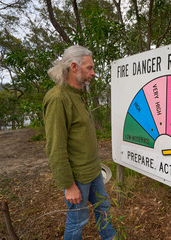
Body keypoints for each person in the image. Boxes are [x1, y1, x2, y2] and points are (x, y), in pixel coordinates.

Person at [43, 45, 117, 240]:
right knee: (77, 221)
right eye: (89, 68)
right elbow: (55, 147)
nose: (93, 73)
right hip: (77, 178)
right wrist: (68, 185)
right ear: (74, 67)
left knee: (104, 210)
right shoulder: (58, 98)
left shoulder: (77, 94)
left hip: (94, 172)